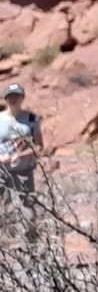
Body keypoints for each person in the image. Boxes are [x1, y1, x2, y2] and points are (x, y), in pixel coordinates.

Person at [0, 83, 43, 242]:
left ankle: (30, 245)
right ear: (5, 99)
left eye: (16, 96)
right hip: (2, 170)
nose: (13, 99)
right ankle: (6, 245)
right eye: (10, 96)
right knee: (4, 207)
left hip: (24, 170)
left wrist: (22, 155)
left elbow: (38, 146)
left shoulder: (31, 119)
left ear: (22, 98)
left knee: (27, 208)